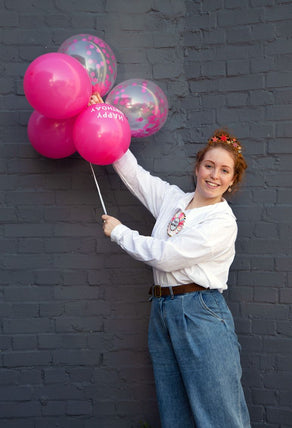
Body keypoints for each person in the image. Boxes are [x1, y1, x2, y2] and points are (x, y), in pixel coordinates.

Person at [101, 129, 251, 428]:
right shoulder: (174, 201)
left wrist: (120, 233)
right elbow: (135, 175)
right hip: (162, 311)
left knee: (219, 414)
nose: (214, 175)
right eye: (209, 166)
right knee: (174, 412)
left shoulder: (221, 222)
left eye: (224, 171)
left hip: (200, 313)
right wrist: (105, 126)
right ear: (198, 168)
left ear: (232, 180)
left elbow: (166, 256)